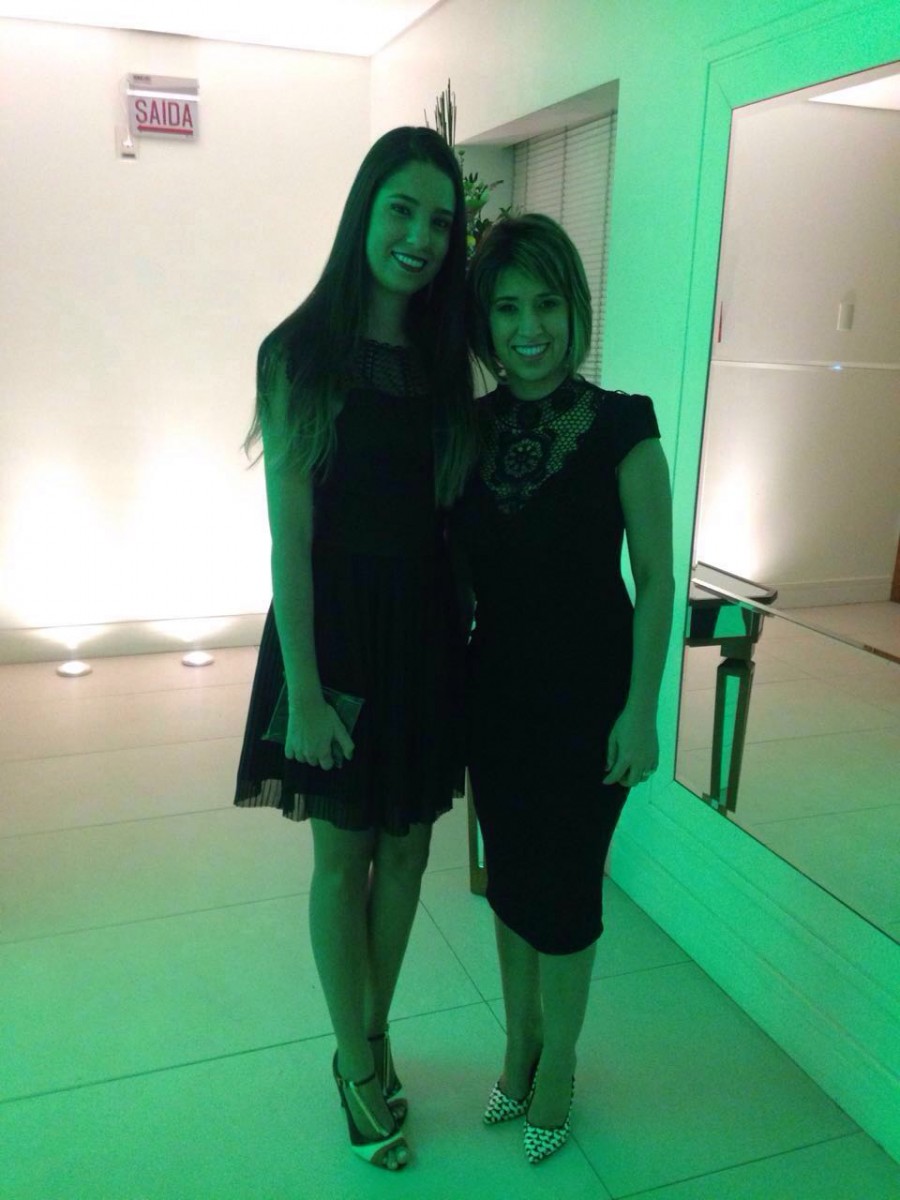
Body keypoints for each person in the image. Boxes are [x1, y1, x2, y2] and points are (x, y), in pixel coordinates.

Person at [234, 127, 480, 1172]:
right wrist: (307, 693)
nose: (420, 236)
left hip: (423, 636)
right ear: (364, 213)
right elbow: (288, 542)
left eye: (440, 221)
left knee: (410, 849)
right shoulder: (298, 355)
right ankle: (358, 1057)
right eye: (401, 210)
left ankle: (366, 1040)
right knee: (344, 856)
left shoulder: (445, 365)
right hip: (332, 636)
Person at [449, 213, 674, 1164]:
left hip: (592, 704)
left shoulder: (624, 423)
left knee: (567, 889)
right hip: (496, 698)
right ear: (486, 322)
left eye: (546, 303)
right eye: (507, 308)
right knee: (508, 881)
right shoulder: (469, 430)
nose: (528, 328)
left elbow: (656, 579)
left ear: (576, 308)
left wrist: (642, 711)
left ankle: (560, 1065)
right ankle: (519, 1044)